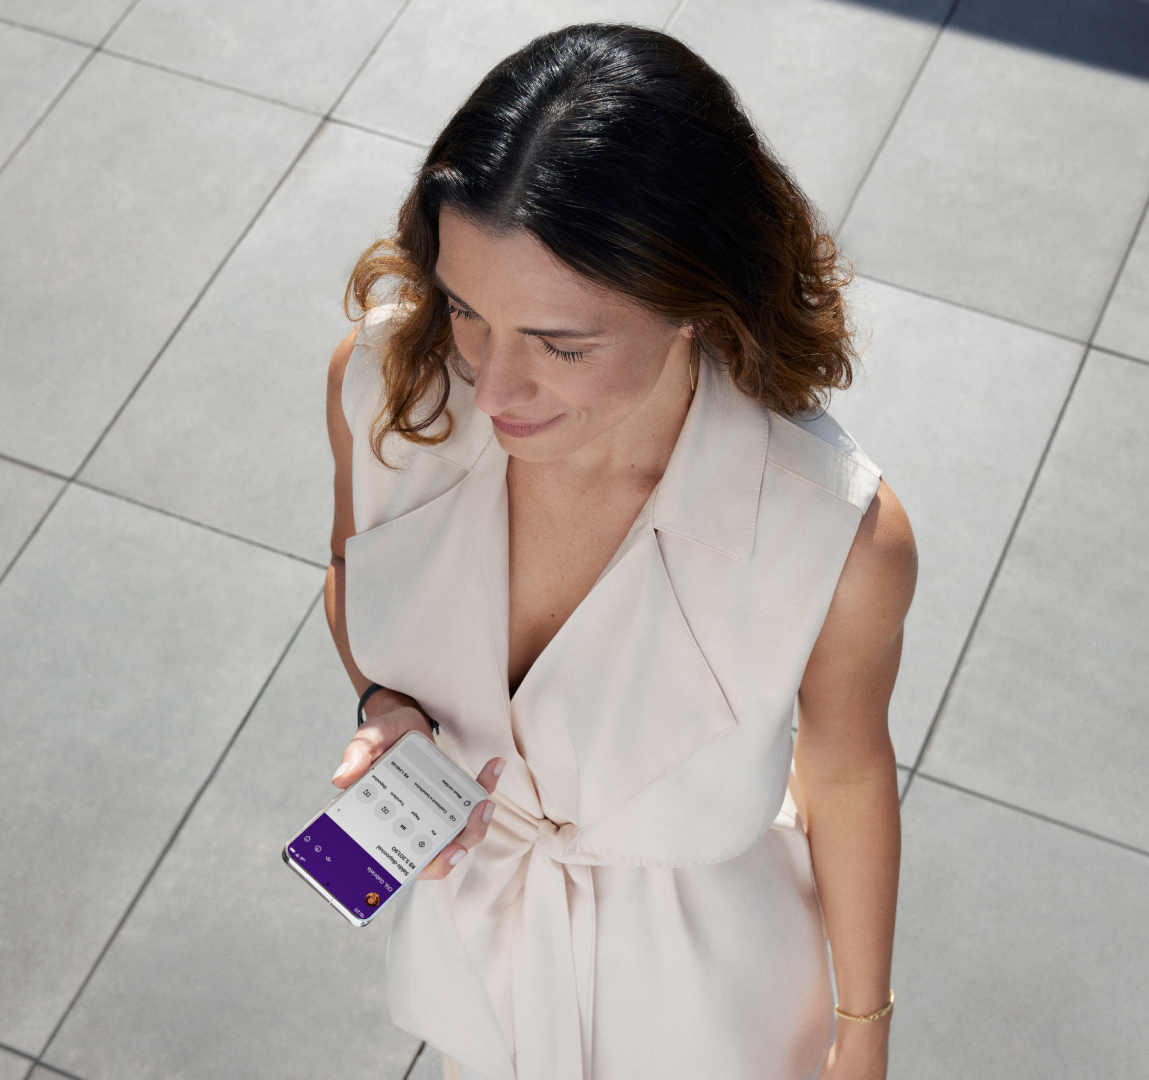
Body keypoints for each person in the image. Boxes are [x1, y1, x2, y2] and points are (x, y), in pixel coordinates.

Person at [322, 23, 914, 1080]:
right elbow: (351, 577)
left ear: (695, 305)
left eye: (562, 343)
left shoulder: (835, 541)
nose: (492, 391)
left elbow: (849, 771)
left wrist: (860, 1035)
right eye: (468, 310)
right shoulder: (387, 390)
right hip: (481, 964)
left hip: (713, 1004)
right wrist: (385, 710)